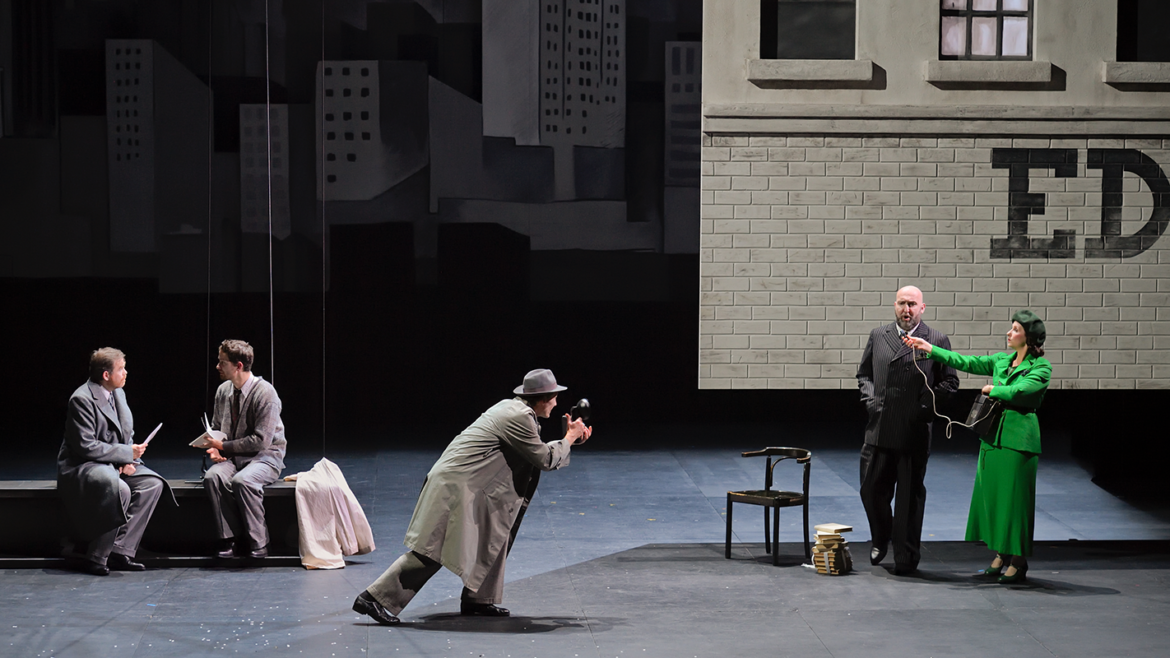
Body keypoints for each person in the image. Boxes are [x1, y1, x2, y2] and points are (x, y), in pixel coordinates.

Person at [352, 368, 593, 625]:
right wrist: (569, 438)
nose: (556, 403)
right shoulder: (518, 416)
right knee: (435, 548)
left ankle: (479, 600)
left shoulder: (515, 409)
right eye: (554, 397)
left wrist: (569, 441)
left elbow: (536, 452)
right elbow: (544, 459)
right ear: (543, 398)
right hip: (454, 486)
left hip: (473, 486)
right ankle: (374, 598)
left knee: (496, 536)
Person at [902, 310, 1051, 584]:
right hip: (992, 438)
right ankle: (1001, 554)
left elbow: (1021, 391)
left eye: (1016, 329)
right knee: (995, 500)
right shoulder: (1002, 360)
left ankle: (1018, 560)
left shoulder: (1041, 367)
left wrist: (993, 390)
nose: (1009, 333)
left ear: (1029, 338)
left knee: (1015, 503)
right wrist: (930, 348)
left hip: (1018, 443)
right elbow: (966, 361)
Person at [856, 286, 959, 575]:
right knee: (870, 490)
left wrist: (923, 408)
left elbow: (950, 383)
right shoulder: (879, 335)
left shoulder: (936, 339)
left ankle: (906, 556)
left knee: (908, 499)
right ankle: (881, 536)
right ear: (895, 305)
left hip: (914, 430)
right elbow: (864, 374)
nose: (907, 309)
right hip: (880, 426)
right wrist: (872, 402)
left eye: (912, 304)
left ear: (922, 308)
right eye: (902, 303)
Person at [58, 348, 173, 576]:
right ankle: (96, 556)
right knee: (119, 488)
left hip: (111, 461)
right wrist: (124, 454)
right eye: (121, 369)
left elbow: (125, 433)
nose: (126, 373)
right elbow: (86, 446)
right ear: (106, 375)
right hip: (83, 465)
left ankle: (121, 550)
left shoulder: (118, 393)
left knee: (152, 484)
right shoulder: (82, 399)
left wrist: (126, 459)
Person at [202, 339, 287, 559]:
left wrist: (223, 446)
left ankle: (259, 541)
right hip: (233, 457)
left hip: (265, 457)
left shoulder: (266, 394)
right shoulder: (223, 391)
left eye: (222, 362)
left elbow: (261, 441)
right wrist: (215, 448)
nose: (218, 366)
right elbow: (217, 427)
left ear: (238, 366)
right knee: (213, 477)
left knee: (243, 481)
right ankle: (229, 538)